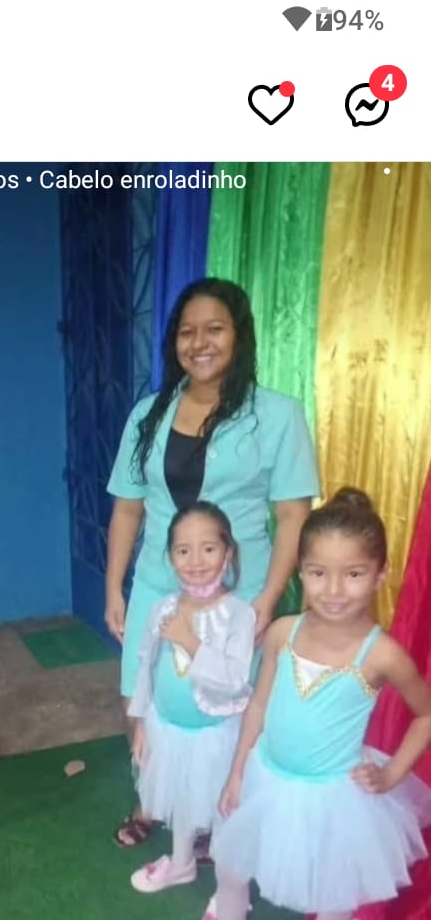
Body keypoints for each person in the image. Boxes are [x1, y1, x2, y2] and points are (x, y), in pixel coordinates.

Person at [166, 490, 431, 920]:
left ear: (380, 575)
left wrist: (393, 774)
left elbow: (425, 714)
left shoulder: (381, 654)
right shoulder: (283, 633)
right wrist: (237, 772)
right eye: (317, 573)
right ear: (301, 572)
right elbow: (260, 704)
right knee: (232, 865)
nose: (333, 590)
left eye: (353, 574)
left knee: (334, 883)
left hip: (334, 792)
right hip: (266, 776)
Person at [106, 278, 320, 848]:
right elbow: (127, 509)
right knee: (144, 696)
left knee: (225, 706)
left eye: (214, 329)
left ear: (239, 336)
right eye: (187, 332)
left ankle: (214, 813)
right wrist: (114, 588)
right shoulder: (148, 414)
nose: (199, 343)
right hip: (158, 584)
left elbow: (293, 518)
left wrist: (266, 601)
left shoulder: (278, 415)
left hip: (238, 593)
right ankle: (153, 798)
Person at [127, 502, 255, 893]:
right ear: (170, 557)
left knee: (224, 808)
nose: (195, 561)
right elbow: (146, 667)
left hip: (217, 735)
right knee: (180, 795)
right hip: (167, 727)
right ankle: (181, 863)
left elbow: (234, 680)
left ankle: (229, 893)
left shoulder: (238, 614)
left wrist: (190, 642)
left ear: (228, 552)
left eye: (208, 548)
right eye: (183, 550)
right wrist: (142, 722)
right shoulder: (162, 608)